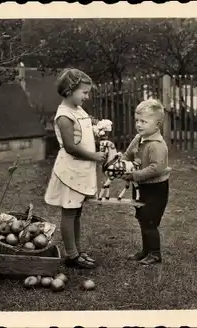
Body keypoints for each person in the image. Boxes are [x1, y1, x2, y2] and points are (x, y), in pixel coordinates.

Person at [44, 68, 107, 269]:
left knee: (77, 211)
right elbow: (71, 147)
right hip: (70, 171)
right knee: (69, 212)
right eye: (84, 92)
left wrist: (96, 129)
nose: (87, 97)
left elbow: (84, 130)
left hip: (80, 170)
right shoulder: (64, 116)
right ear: (70, 90)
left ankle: (77, 251)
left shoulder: (77, 110)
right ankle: (71, 255)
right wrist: (94, 156)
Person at [121, 98, 171, 265]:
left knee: (150, 220)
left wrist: (134, 175)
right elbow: (127, 155)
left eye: (144, 121)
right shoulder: (138, 138)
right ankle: (145, 250)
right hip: (141, 187)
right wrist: (120, 165)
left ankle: (155, 254)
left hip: (156, 189)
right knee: (142, 218)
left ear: (157, 124)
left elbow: (156, 168)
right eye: (137, 120)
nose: (139, 124)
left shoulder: (157, 145)